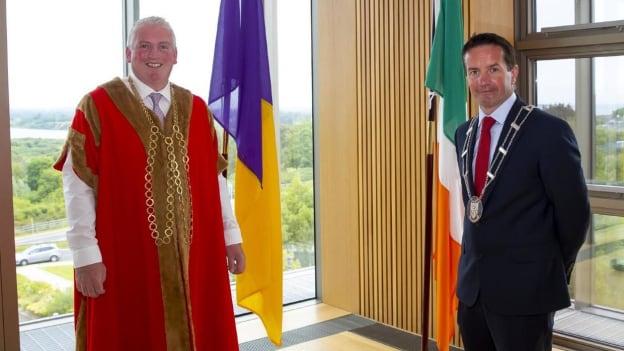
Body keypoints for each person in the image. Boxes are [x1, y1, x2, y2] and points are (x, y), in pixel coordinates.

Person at [54, 16, 244, 350]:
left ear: (175, 55)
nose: (153, 53)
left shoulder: (197, 109)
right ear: (129, 53)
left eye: (162, 46)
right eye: (144, 45)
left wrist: (231, 236)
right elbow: (77, 184)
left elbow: (214, 181)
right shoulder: (97, 106)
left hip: (196, 255)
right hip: (123, 258)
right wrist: (85, 255)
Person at [454, 32, 590, 351]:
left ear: (513, 73)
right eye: (474, 72)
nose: (483, 80)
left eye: (493, 69)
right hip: (473, 293)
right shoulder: (464, 134)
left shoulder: (549, 132)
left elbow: (575, 217)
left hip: (526, 295)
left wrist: (548, 269)